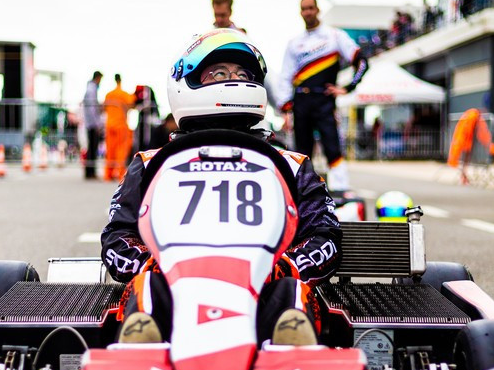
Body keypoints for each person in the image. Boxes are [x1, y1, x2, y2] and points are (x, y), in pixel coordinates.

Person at [101, 28, 341, 346]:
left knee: (292, 291)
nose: (236, 80)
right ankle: (142, 342)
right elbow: (117, 239)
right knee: (146, 285)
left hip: (263, 286)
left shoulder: (292, 164)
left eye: (244, 73)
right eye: (220, 73)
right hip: (173, 286)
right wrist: (158, 264)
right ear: (186, 81)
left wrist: (281, 267)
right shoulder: (150, 163)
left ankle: (292, 342)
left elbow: (325, 237)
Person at [278, 0, 369, 193]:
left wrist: (348, 87)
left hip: (324, 100)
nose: (308, 12)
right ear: (300, 12)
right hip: (301, 101)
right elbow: (285, 77)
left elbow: (361, 61)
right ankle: (302, 191)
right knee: (301, 151)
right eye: (304, 9)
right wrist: (285, 110)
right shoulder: (294, 43)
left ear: (317, 9)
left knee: (332, 146)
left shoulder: (335, 35)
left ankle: (341, 191)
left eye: (311, 8)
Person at [102, 73, 136, 181]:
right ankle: (120, 173)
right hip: (121, 125)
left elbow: (103, 108)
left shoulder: (109, 94)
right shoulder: (124, 94)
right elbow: (132, 105)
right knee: (121, 150)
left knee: (110, 150)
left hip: (109, 125)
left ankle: (108, 174)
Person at [82, 71, 103, 179]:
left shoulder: (90, 88)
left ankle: (89, 171)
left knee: (91, 147)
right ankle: (90, 172)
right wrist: (97, 123)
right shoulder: (92, 89)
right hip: (92, 124)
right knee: (92, 148)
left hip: (90, 122)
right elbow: (92, 108)